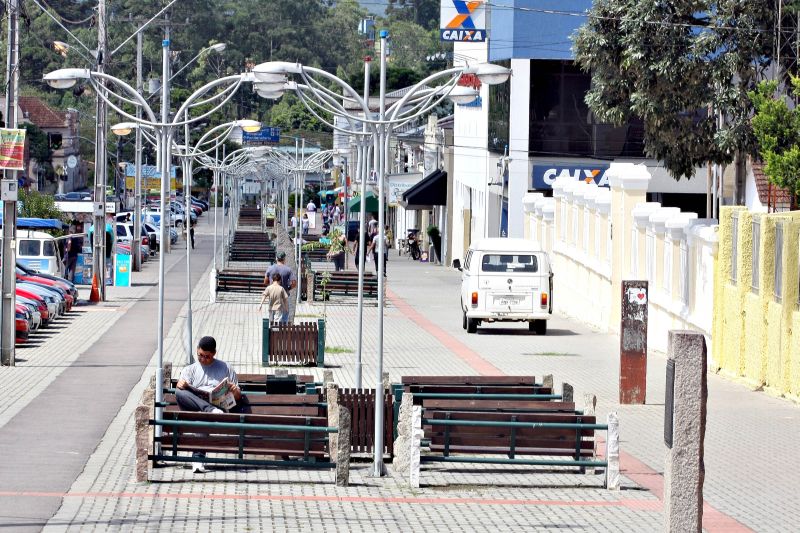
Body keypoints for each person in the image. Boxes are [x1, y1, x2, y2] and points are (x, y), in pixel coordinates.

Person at [176, 336, 251, 473]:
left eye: (207, 356)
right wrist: (181, 385)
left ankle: (198, 460)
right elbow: (182, 393)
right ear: (197, 350)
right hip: (197, 408)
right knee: (179, 393)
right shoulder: (190, 370)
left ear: (214, 353)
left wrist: (235, 391)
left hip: (220, 409)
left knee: (201, 417)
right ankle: (208, 409)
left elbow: (238, 398)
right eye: (200, 356)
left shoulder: (226, 368)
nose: (203, 359)